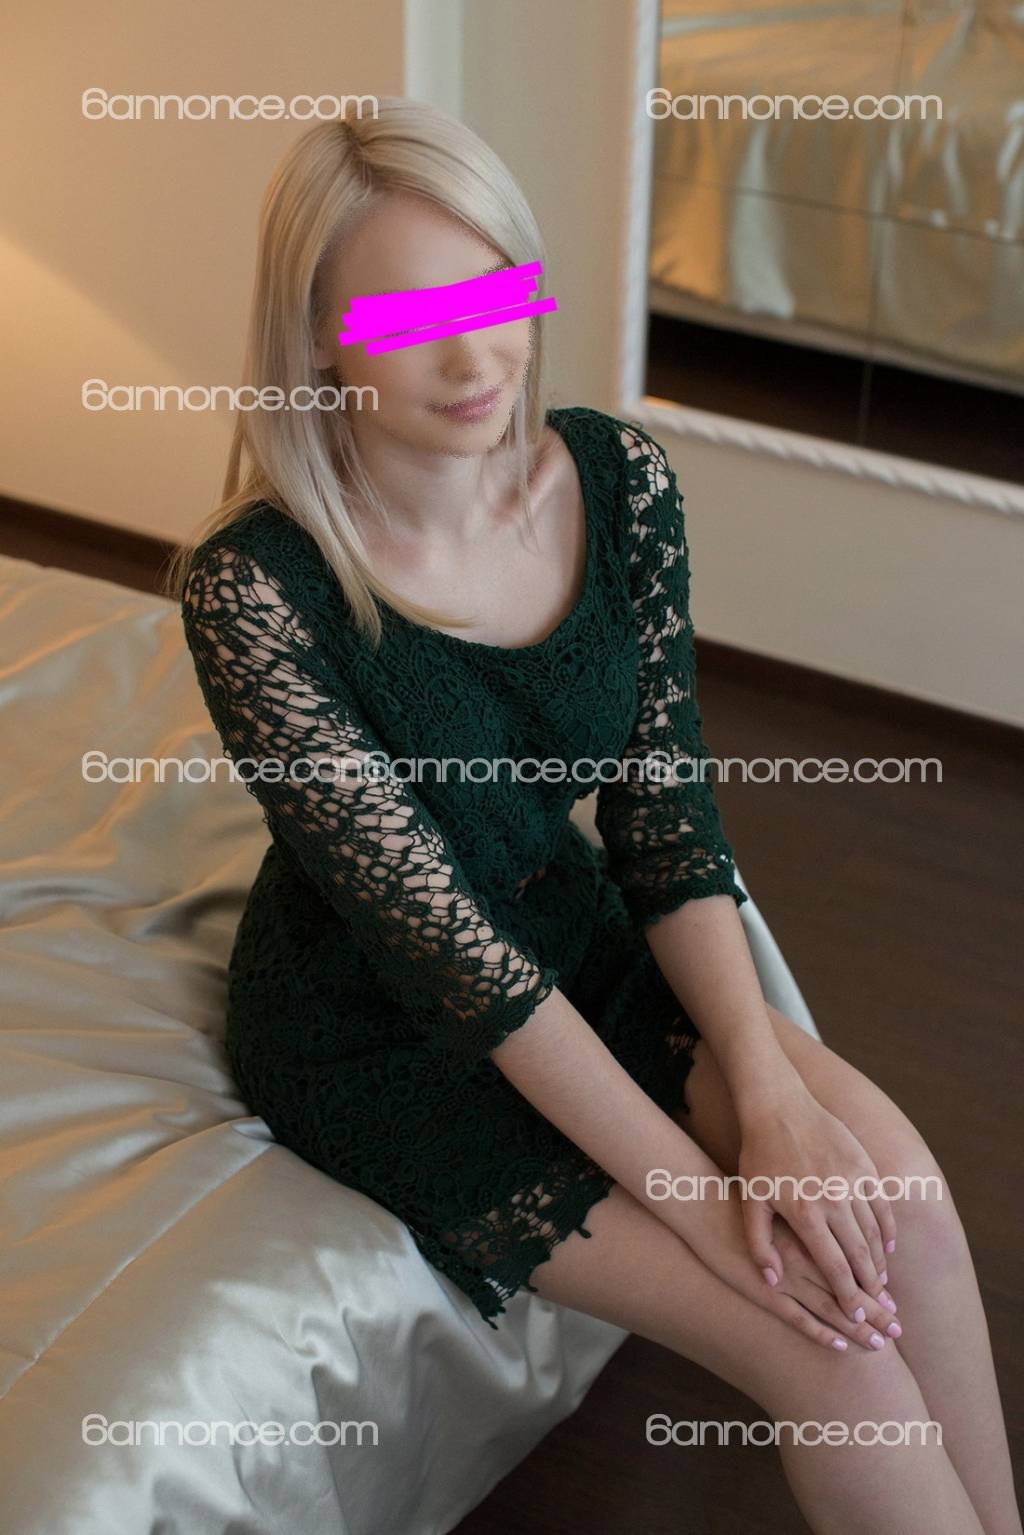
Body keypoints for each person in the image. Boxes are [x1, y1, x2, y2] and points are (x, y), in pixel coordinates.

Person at [169, 98, 1020, 1535]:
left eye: (497, 291)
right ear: (317, 338)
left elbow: (667, 822)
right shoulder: (254, 590)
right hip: (385, 1027)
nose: (475, 355)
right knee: (834, 1356)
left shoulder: (620, 482)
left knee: (909, 1214)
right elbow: (454, 966)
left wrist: (768, 1095)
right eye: (411, 317)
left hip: (567, 929)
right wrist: (704, 1202)